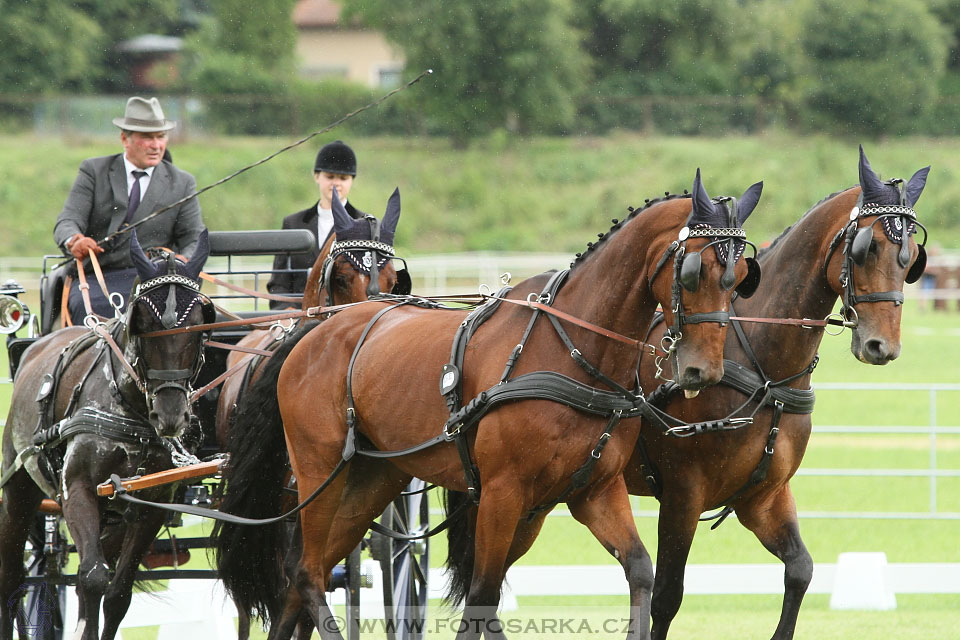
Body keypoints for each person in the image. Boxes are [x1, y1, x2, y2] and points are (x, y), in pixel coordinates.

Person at [54, 96, 205, 325]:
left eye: (161, 136)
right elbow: (68, 220)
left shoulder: (182, 182)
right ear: (125, 139)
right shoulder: (94, 171)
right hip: (99, 276)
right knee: (86, 308)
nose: (156, 145)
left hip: (155, 280)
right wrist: (74, 240)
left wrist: (183, 264)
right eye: (147, 137)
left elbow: (193, 237)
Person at [267, 140, 365, 309]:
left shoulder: (363, 224)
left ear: (352, 181)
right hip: (299, 316)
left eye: (343, 178)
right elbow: (279, 281)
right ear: (316, 176)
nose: (336, 183)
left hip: (343, 317)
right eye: (330, 177)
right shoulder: (293, 223)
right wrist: (285, 310)